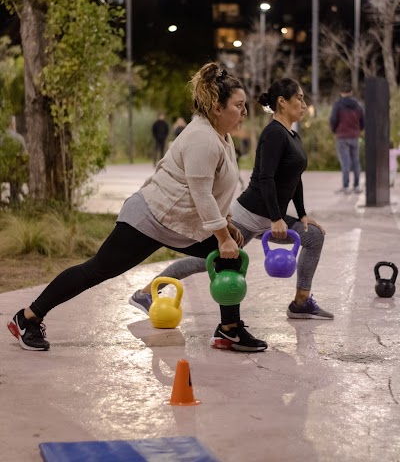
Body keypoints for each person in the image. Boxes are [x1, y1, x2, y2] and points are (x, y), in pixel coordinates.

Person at [7, 62, 267, 353]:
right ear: (217, 108)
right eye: (239, 106)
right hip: (150, 217)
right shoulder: (202, 138)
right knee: (97, 270)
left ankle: (229, 331)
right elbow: (202, 195)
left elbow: (217, 191)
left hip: (180, 221)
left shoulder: (223, 137)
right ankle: (27, 317)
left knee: (229, 259)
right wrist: (222, 236)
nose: (244, 113)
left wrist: (226, 223)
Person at [130, 78, 333, 344]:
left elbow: (294, 178)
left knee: (314, 236)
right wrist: (276, 218)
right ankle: (146, 292)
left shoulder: (292, 135)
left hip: (270, 216)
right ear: (282, 102)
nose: (305, 104)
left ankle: (301, 303)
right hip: (249, 214)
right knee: (206, 262)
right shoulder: (273, 133)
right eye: (300, 98)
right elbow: (267, 178)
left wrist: (302, 214)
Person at [329, 83, 364, 194]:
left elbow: (333, 120)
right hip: (354, 136)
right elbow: (363, 121)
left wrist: (335, 130)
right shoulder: (358, 105)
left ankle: (346, 187)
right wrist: (358, 130)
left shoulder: (338, 105)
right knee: (356, 161)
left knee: (345, 163)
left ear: (341, 93)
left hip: (342, 136)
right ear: (351, 93)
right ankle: (357, 186)